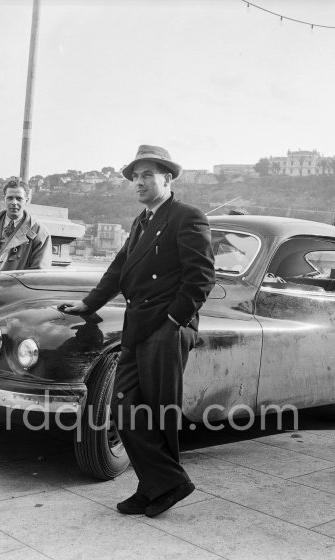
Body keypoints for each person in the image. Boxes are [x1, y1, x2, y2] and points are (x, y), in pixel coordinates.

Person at [62, 145, 215, 517]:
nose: (139, 182)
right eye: (135, 176)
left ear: (167, 178)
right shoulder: (142, 221)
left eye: (148, 174)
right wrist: (89, 304)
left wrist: (174, 322)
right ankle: (166, 483)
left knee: (160, 412)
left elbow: (201, 278)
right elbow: (118, 268)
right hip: (138, 327)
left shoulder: (186, 217)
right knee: (123, 406)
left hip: (165, 328)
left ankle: (153, 490)